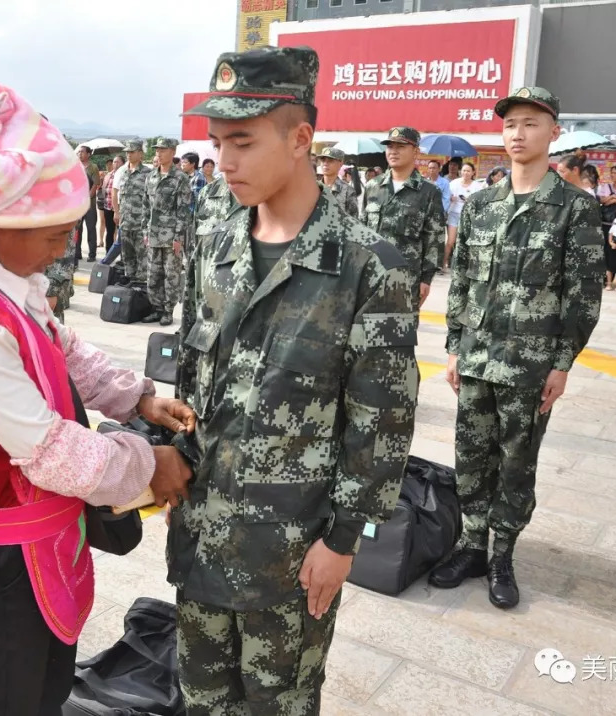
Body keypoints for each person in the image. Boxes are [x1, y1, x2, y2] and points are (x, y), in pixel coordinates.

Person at [0, 80, 193, 716]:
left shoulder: (13, 284)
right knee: (9, 700)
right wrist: (150, 464)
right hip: (4, 557)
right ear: (1, 223)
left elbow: (66, 352)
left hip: (51, 536)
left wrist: (138, 400)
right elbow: (48, 450)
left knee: (48, 690)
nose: (64, 248)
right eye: (55, 233)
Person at [177, 46, 418, 715]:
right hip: (202, 534)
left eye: (243, 143)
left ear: (301, 138)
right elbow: (196, 372)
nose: (224, 162)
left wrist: (344, 541)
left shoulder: (370, 264)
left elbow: (382, 420)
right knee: (200, 699)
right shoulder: (215, 241)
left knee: (279, 704)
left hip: (290, 553)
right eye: (217, 142)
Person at [433, 86, 603, 610]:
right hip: (479, 357)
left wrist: (562, 363)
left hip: (530, 366)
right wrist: (455, 346)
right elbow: (461, 281)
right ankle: (470, 544)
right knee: (470, 455)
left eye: (530, 124)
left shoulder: (574, 209)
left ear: (554, 133)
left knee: (516, 462)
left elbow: (583, 295)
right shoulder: (482, 205)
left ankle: (502, 552)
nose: (517, 134)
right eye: (510, 125)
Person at [362, 126, 445, 314]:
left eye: (400, 146)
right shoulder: (373, 187)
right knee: (362, 336)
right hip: (370, 276)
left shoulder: (428, 192)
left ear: (415, 151)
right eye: (390, 146)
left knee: (399, 338)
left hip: (407, 279)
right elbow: (362, 230)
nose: (393, 151)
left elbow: (434, 239)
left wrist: (426, 280)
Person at [144, 137, 192, 326]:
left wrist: (179, 237)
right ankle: (156, 309)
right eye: (157, 150)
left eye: (163, 150)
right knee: (153, 274)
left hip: (171, 235)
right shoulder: (152, 176)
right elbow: (145, 206)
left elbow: (183, 210)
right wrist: (145, 231)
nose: (158, 153)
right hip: (153, 234)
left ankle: (168, 311)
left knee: (171, 275)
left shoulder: (180, 178)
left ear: (173, 152)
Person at [112, 139, 152, 286]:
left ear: (140, 154)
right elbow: (116, 193)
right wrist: (116, 212)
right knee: (127, 256)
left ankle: (140, 285)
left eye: (132, 152)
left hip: (141, 223)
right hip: (125, 222)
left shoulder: (148, 173)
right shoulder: (122, 172)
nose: (128, 154)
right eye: (127, 152)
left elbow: (152, 199)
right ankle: (129, 283)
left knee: (142, 256)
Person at [446, 161, 480, 269]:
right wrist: (451, 199)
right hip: (454, 214)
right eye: (464, 170)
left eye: (468, 171)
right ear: (461, 172)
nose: (466, 173)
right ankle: (443, 264)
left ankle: (463, 266)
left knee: (465, 242)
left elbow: (479, 202)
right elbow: (447, 197)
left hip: (468, 216)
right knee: (451, 241)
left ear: (473, 172)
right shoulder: (453, 183)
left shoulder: (477, 186)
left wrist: (468, 201)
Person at [316, 147, 358, 217]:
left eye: (330, 160)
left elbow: (354, 221)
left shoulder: (348, 191)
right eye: (323, 160)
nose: (325, 163)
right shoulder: (313, 188)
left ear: (340, 163)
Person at [76, 145, 100, 261]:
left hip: (89, 204)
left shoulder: (93, 167)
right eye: (78, 152)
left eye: (82, 152)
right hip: (77, 205)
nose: (79, 154)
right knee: (77, 230)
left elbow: (96, 184)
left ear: (88, 154)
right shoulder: (75, 167)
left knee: (91, 229)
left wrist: (87, 197)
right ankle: (77, 253)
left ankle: (92, 254)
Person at [100, 154, 122, 255]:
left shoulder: (124, 174)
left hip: (120, 208)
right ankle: (108, 253)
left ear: (123, 163)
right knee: (109, 231)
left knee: (121, 233)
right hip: (108, 206)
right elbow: (104, 189)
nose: (115, 164)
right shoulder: (109, 174)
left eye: (117, 162)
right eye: (114, 162)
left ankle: (121, 254)